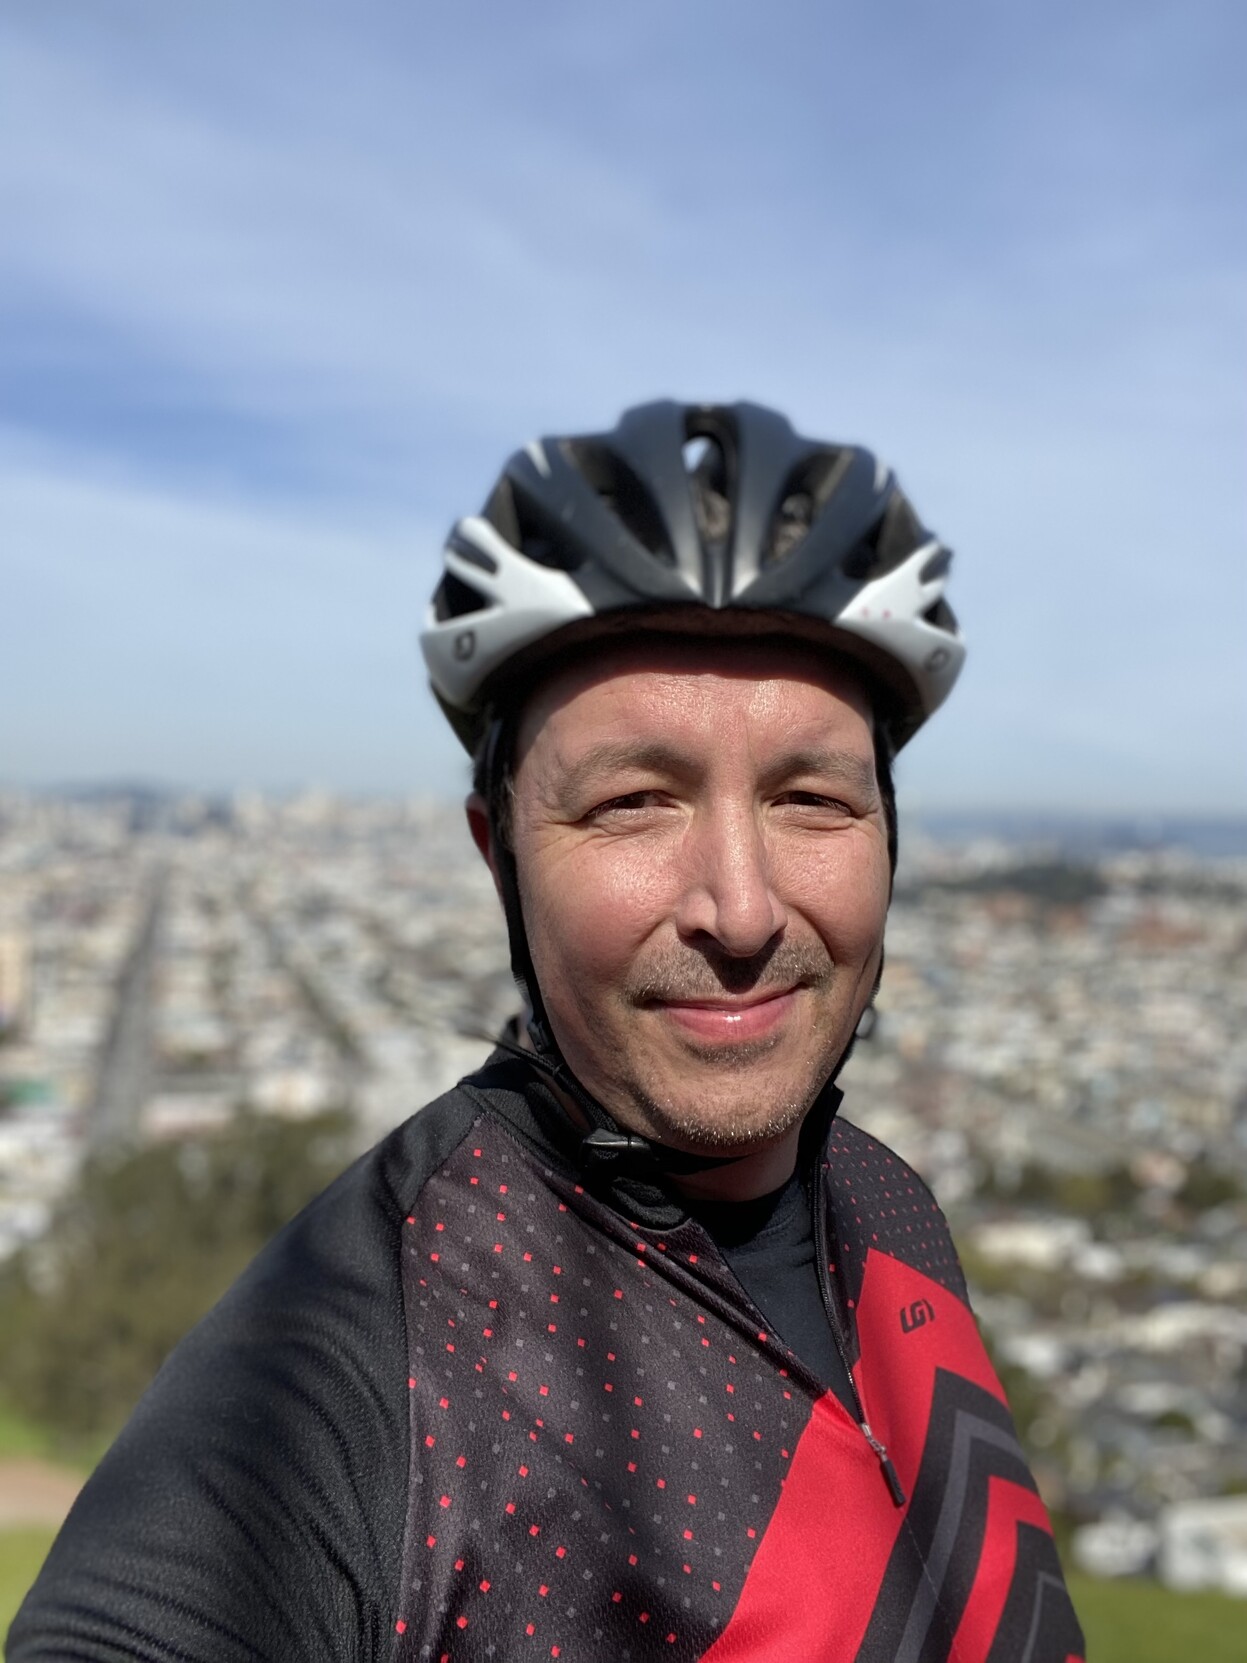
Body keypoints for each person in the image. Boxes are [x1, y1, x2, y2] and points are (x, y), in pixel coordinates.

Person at [10, 401, 1085, 1661]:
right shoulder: (371, 1357)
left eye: (810, 799)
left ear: (888, 841)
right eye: (633, 802)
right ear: (499, 854)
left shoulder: (888, 1209)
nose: (738, 909)